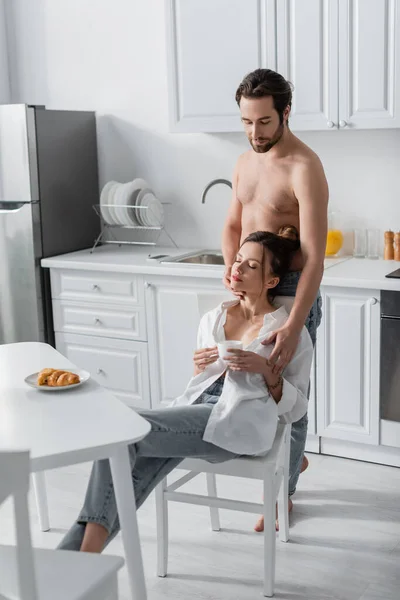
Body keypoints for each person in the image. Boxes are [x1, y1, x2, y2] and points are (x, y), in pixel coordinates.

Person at [58, 228, 313, 553]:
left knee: (122, 431)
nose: (237, 269)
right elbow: (198, 384)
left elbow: (297, 409)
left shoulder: (287, 331)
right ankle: (77, 558)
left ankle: (82, 557)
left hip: (238, 424)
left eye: (251, 266)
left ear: (271, 281)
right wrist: (199, 366)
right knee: (128, 465)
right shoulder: (213, 318)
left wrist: (266, 371)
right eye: (237, 260)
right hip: (196, 412)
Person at [222, 69, 328, 531]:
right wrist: (233, 276)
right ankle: (293, 463)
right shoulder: (244, 161)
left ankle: (282, 494)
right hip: (250, 292)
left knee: (290, 397)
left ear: (286, 112)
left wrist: (293, 324)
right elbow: (232, 225)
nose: (255, 133)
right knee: (255, 393)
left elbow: (315, 259)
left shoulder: (305, 167)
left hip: (288, 295)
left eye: (264, 122)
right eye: (247, 122)